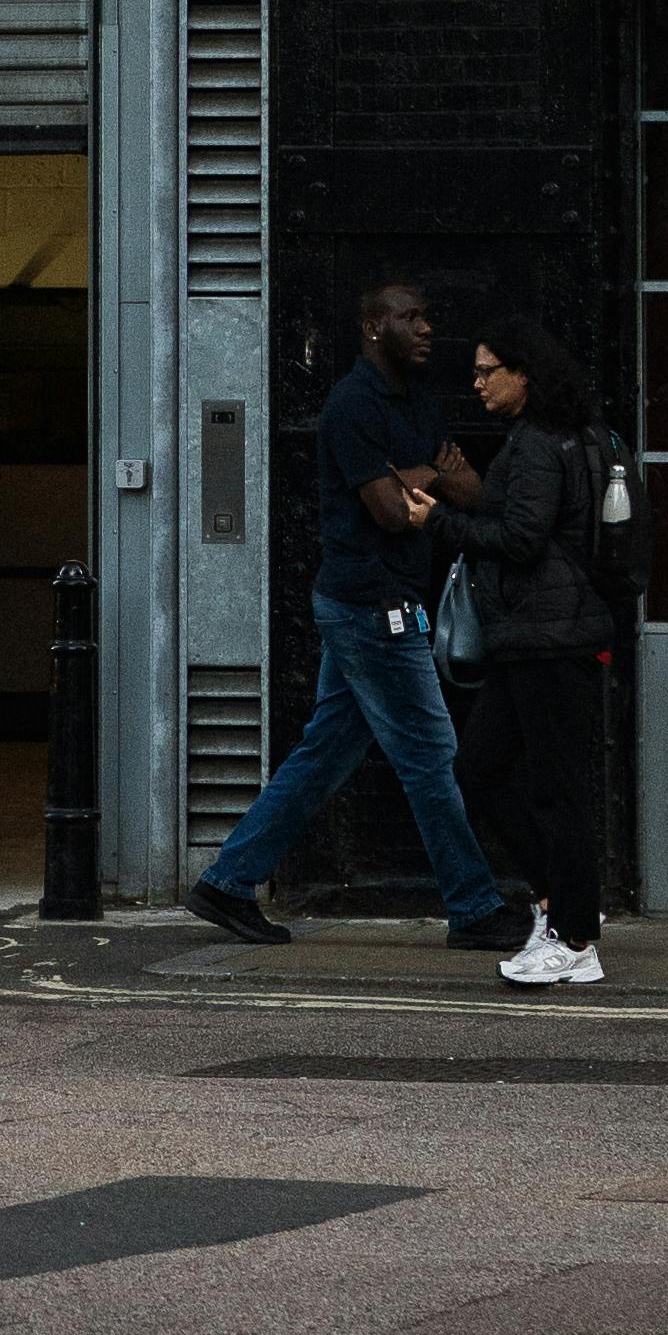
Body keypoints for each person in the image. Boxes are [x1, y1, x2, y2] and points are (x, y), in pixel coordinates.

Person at [187, 278, 525, 951]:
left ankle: (228, 881)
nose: (425, 327)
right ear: (373, 326)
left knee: (327, 754)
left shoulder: (419, 403)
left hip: (381, 600)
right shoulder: (351, 407)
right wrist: (431, 474)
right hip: (371, 605)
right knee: (433, 757)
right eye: (410, 316)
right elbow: (392, 513)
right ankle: (474, 906)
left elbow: (474, 492)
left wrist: (418, 474)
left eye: (427, 316)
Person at [441, 316, 613, 990]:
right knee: (478, 768)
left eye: (489, 371)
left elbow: (522, 539)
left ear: (525, 374)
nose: (477, 382)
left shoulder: (541, 440)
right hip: (535, 637)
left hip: (550, 637)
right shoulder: (566, 435)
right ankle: (558, 903)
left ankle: (576, 941)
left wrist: (440, 522)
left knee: (558, 791)